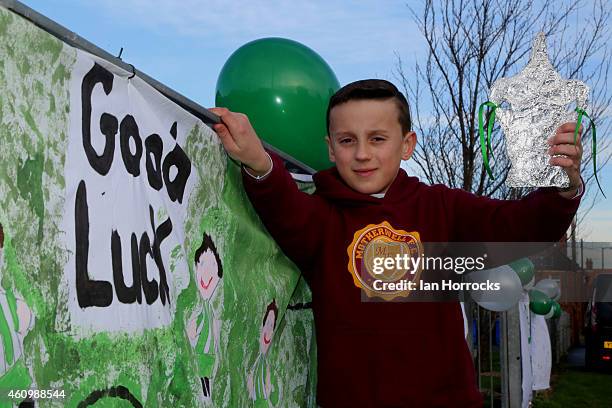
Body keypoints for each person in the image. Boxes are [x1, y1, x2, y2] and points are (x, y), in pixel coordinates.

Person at [209, 79, 583, 407]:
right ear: (329, 148)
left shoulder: (442, 208)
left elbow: (523, 225)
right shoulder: (321, 218)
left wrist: (564, 188)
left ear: (407, 145)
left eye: (377, 139)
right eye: (346, 140)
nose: (362, 154)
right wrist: (256, 160)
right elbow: (282, 203)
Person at [186, 232, 223, 400]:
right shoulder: (198, 309)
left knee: (208, 382)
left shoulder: (209, 309)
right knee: (204, 381)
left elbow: (213, 329)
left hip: (209, 357)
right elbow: (192, 331)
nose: (206, 273)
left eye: (212, 266)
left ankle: (207, 398)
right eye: (201, 264)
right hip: (201, 356)